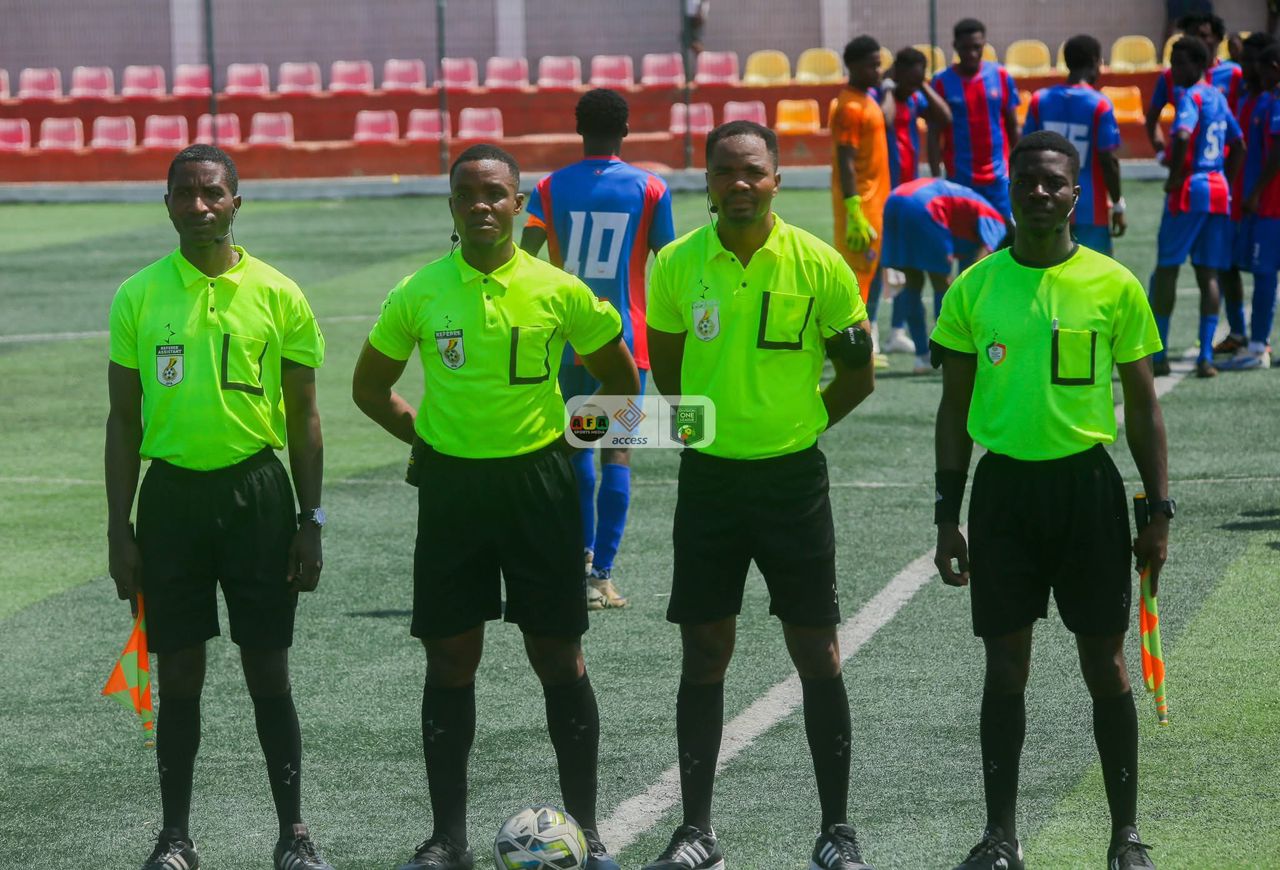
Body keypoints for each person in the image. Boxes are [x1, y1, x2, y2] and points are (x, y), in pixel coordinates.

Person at [351, 144, 638, 870]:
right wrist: (425, 440)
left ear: (518, 205)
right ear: (451, 206)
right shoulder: (418, 292)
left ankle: (587, 832)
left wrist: (571, 440)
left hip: (540, 489)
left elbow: (622, 382)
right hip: (453, 491)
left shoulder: (559, 290)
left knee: (558, 655)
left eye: (495, 193)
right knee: (451, 657)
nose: (481, 204)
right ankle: (447, 841)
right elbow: (369, 388)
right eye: (467, 194)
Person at [642, 120, 877, 870]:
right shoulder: (675, 265)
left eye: (753, 171)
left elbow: (858, 373)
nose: (739, 184)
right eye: (724, 172)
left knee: (817, 649)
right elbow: (667, 376)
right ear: (707, 182)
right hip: (708, 482)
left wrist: (802, 425)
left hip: (792, 482)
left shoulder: (821, 265)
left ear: (777, 179)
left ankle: (836, 831)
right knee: (705, 649)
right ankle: (696, 833)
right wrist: (710, 431)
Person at [932, 130, 1169, 870]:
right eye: (1027, 181)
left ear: (1076, 195)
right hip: (1002, 495)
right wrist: (946, 515)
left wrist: (1159, 511)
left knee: (1107, 664)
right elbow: (953, 409)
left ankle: (1125, 837)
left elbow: (1144, 407)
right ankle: (1000, 838)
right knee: (1005, 668)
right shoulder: (973, 288)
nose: (1040, 192)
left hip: (1087, 491)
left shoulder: (1113, 284)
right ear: (1011, 191)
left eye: (1054, 182)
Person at [106, 144, 333, 870]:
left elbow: (305, 418)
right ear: (167, 204)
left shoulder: (279, 293)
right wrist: (119, 530)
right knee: (178, 677)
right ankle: (175, 839)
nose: (199, 206)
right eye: (185, 193)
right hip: (169, 501)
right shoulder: (138, 295)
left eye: (212, 193)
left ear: (237, 201)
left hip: (257, 496)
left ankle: (293, 836)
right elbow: (123, 421)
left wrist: (310, 520)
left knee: (269, 673)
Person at [520, 87, 676, 610]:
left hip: (568, 341)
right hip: (626, 342)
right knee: (618, 450)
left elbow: (525, 261)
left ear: (578, 129)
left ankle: (578, 562)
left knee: (577, 445)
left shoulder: (548, 187)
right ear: (626, 130)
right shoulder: (651, 187)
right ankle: (601, 576)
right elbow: (668, 263)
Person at [1150, 36, 1244, 379]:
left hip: (1190, 190)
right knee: (1208, 274)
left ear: (1197, 65)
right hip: (1218, 191)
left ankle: (1159, 354)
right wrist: (1225, 179)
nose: (1173, 71)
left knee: (1167, 269)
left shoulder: (1191, 96)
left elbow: (1182, 135)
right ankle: (1205, 356)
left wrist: (1176, 176)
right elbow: (1239, 143)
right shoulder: (1218, 97)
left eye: (1179, 64)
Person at [881, 176, 1007, 372]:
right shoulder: (998, 222)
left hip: (894, 199)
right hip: (925, 205)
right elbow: (981, 263)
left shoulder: (973, 205)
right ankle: (950, 354)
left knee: (912, 282)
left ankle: (922, 358)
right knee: (942, 284)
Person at [1022, 34, 1126, 255]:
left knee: (1048, 270)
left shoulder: (1040, 100)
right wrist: (1118, 204)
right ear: (1095, 61)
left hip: (1048, 206)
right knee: (1095, 272)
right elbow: (1108, 161)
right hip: (1090, 209)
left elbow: (1026, 153)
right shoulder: (1099, 104)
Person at [880, 45, 953, 354]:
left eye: (918, 79)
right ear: (896, 73)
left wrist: (922, 85)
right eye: (909, 79)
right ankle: (875, 329)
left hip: (909, 195)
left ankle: (896, 332)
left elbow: (944, 116)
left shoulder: (915, 97)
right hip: (885, 192)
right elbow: (885, 120)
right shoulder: (883, 96)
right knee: (885, 264)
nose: (913, 86)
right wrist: (888, 87)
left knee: (906, 266)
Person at [831, 35, 890, 365]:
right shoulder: (850, 107)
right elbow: (846, 159)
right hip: (862, 207)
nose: (878, 71)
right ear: (853, 66)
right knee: (857, 279)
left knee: (871, 274)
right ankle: (855, 348)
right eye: (872, 65)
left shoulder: (867, 99)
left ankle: (864, 341)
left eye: (879, 64)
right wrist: (853, 209)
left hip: (876, 203)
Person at [1217, 32, 1276, 358]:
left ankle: (1258, 342)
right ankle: (1239, 332)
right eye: (1244, 60)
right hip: (1237, 200)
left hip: (1261, 202)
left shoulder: (1270, 101)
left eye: (1253, 61)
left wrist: (1255, 192)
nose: (1247, 67)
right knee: (1227, 264)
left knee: (1264, 270)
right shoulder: (1241, 97)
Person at [929, 18, 1021, 221]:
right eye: (965, 48)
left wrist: (1019, 168)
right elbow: (933, 134)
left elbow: (1013, 126)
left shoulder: (1001, 76)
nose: (971, 53)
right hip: (959, 178)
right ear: (955, 46)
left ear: (984, 45)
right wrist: (936, 178)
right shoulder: (941, 82)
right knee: (964, 235)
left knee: (1005, 232)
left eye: (976, 47)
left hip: (998, 177)